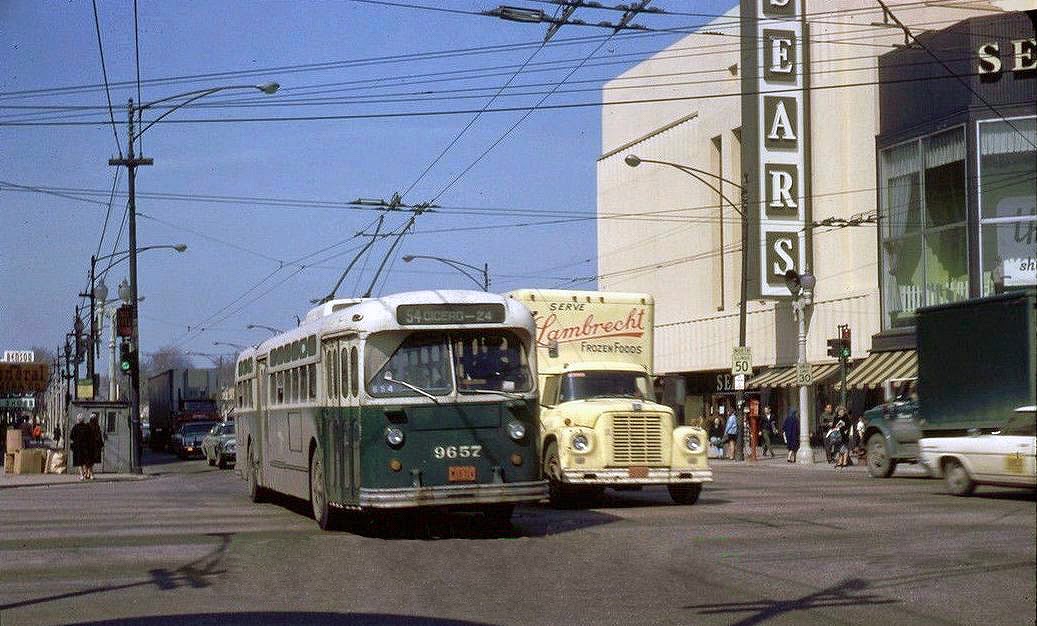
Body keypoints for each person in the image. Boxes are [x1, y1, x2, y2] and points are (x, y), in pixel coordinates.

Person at [70, 414, 91, 480]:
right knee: (85, 461)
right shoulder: (87, 427)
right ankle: (85, 474)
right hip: (85, 446)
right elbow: (89, 437)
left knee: (79, 462)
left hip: (78, 447)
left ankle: (81, 475)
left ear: (78, 420)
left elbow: (71, 436)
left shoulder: (75, 427)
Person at [86, 414, 104, 479]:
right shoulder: (97, 426)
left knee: (89, 460)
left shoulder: (88, 425)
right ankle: (91, 474)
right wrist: (101, 444)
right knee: (91, 461)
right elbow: (99, 436)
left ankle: (88, 473)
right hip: (94, 446)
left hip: (89, 445)